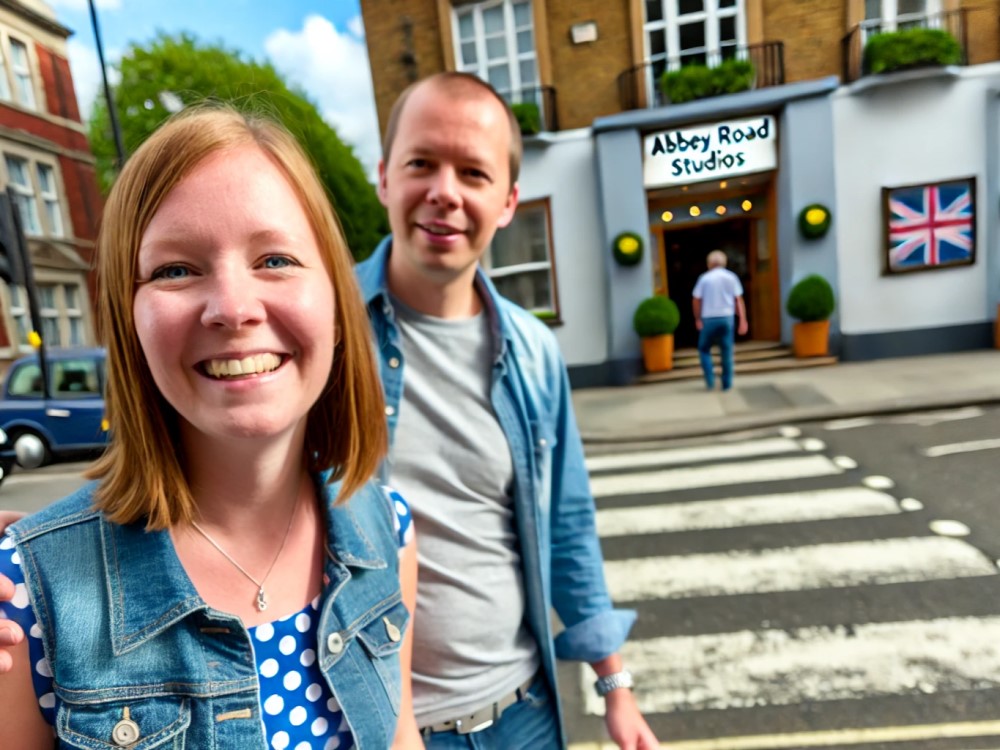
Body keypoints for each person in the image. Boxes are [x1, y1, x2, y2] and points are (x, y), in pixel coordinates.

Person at [0, 106, 422, 749]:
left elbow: (402, 735)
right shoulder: (29, 596)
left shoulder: (386, 528)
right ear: (128, 318)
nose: (233, 308)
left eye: (275, 258)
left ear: (336, 298)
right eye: (176, 269)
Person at [357, 72, 659, 749]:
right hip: (378, 728)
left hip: (524, 716)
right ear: (383, 176)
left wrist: (616, 687)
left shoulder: (532, 351)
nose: (444, 191)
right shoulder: (325, 332)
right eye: (420, 163)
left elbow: (568, 524)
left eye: (473, 172)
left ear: (506, 202)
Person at [692, 249, 749, 391]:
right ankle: (726, 384)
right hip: (726, 317)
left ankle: (710, 380)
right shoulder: (731, 277)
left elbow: (696, 299)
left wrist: (697, 318)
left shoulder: (704, 278)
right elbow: (738, 300)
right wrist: (743, 320)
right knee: (726, 351)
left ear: (709, 263)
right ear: (724, 263)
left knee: (704, 349)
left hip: (709, 318)